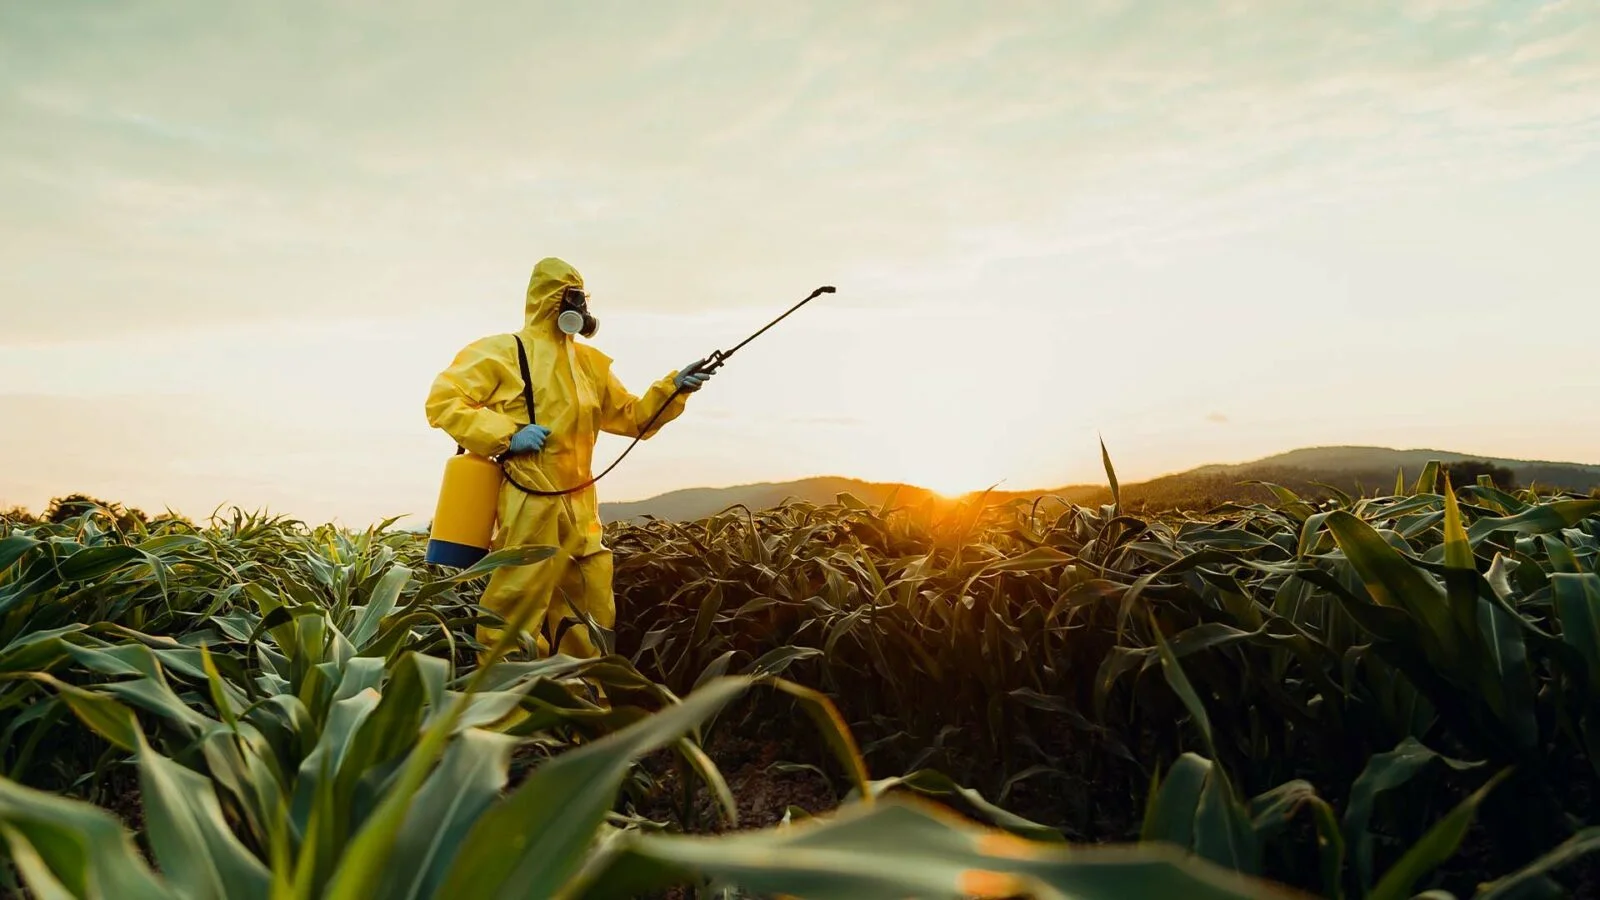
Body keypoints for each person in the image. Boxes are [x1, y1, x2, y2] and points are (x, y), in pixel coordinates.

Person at [424, 257, 712, 660]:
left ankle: (582, 703)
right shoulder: (504, 351)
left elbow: (631, 418)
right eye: (571, 298)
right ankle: (508, 708)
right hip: (530, 498)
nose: (579, 309)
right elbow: (443, 401)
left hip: (580, 503)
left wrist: (673, 388)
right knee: (515, 609)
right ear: (549, 301)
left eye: (581, 299)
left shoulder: (590, 364)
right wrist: (507, 435)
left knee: (590, 607)